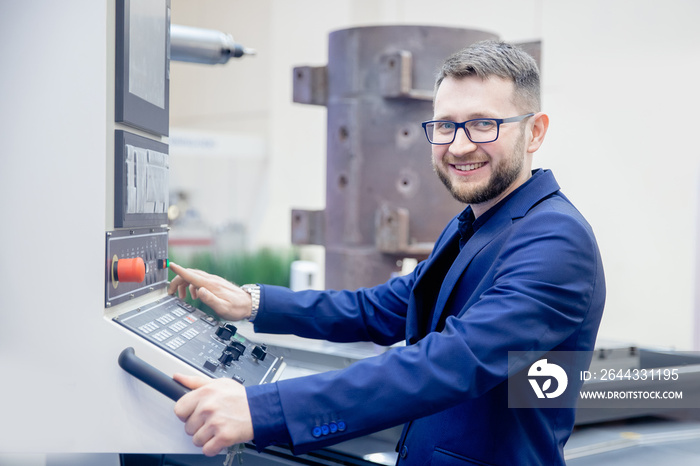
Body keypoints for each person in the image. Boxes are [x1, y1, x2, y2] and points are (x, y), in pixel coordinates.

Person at [168, 40, 606, 465]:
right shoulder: (473, 224)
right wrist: (253, 303)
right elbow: (382, 308)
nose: (458, 145)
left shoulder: (555, 239)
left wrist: (264, 410)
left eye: (483, 124)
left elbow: (452, 362)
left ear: (535, 132)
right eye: (444, 125)